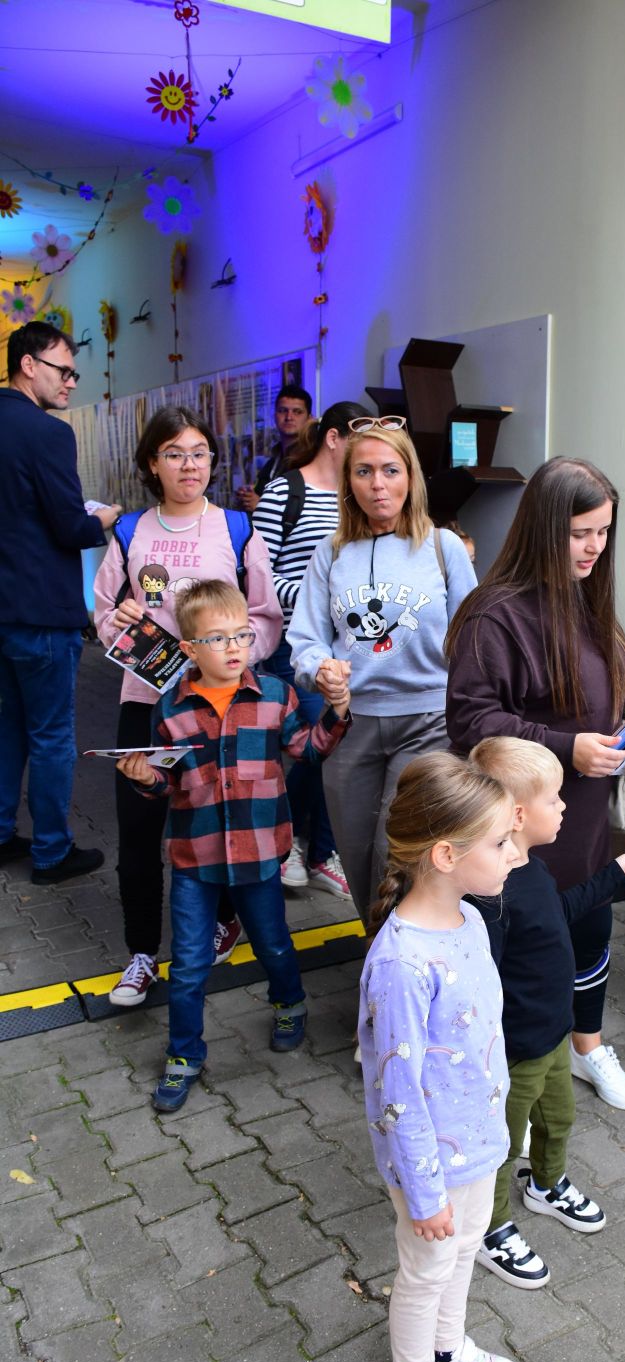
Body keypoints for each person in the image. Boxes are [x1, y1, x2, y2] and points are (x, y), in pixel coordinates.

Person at [446, 456, 625, 1111]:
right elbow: (470, 722)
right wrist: (568, 746)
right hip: (519, 830)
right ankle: (508, 1073)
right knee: (526, 953)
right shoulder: (494, 616)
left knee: (590, 933)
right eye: (579, 533)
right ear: (543, 529)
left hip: (582, 815)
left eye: (604, 531)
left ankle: (588, 1049)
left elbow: (606, 689)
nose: (595, 547)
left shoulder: (587, 598)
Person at [117, 580, 351, 1113]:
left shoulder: (275, 695)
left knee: (273, 944)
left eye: (241, 635)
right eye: (217, 638)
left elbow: (308, 751)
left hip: (260, 852)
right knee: (189, 963)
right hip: (194, 858)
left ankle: (290, 1004)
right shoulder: (170, 709)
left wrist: (336, 711)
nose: (233, 647)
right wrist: (145, 777)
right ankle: (184, 1054)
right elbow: (167, 780)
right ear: (189, 648)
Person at [358, 751, 523, 1362]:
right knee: (426, 1268)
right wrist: (424, 1193)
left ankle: (448, 1350)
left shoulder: (470, 921)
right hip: (431, 1165)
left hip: (479, 1142)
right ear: (447, 855)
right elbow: (398, 1094)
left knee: (466, 1247)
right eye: (501, 842)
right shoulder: (400, 963)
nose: (516, 854)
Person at [94, 406, 283, 1006]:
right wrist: (120, 620)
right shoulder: (130, 532)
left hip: (216, 709)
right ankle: (141, 954)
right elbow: (103, 612)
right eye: (174, 454)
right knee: (139, 830)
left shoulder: (237, 529)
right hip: (145, 703)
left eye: (199, 453)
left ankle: (224, 918)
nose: (189, 465)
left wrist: (226, 660)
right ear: (152, 463)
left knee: (215, 821)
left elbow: (265, 616)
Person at [468, 737, 625, 1289]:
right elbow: (480, 983)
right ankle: (489, 1227)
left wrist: (616, 875)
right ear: (519, 816)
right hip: (515, 1049)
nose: (565, 807)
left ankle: (546, 1185)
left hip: (553, 1037)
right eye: (554, 799)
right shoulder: (490, 895)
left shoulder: (532, 868)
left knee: (558, 1120)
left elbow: (558, 912)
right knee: (502, 1143)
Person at [287, 417, 477, 922]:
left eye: (391, 470)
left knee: (398, 854)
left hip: (428, 723)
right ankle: (380, 949)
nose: (378, 484)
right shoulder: (330, 553)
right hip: (350, 727)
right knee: (356, 856)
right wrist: (319, 667)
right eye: (364, 471)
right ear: (347, 481)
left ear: (410, 477)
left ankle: (401, 955)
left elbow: (475, 639)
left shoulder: (444, 547)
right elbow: (305, 638)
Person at [0, 322, 121, 883]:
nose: (72, 382)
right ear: (29, 365)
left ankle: (2, 833)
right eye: (64, 370)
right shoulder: (48, 433)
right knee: (50, 734)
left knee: (9, 727)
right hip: (42, 611)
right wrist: (101, 519)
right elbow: (69, 526)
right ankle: (51, 851)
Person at [253, 400, 371, 898]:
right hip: (291, 644)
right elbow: (259, 574)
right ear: (333, 438)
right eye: (359, 444)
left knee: (336, 745)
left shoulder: (357, 496)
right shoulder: (286, 491)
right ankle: (289, 847)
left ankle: (319, 851)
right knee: (309, 745)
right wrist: (315, 600)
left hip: (348, 647)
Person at [235, 383, 312, 514]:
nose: (289, 417)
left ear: (309, 418)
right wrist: (248, 496)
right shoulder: (274, 460)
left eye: (297, 412)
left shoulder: (312, 458)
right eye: (283, 410)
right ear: (274, 416)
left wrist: (261, 505)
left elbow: (309, 509)